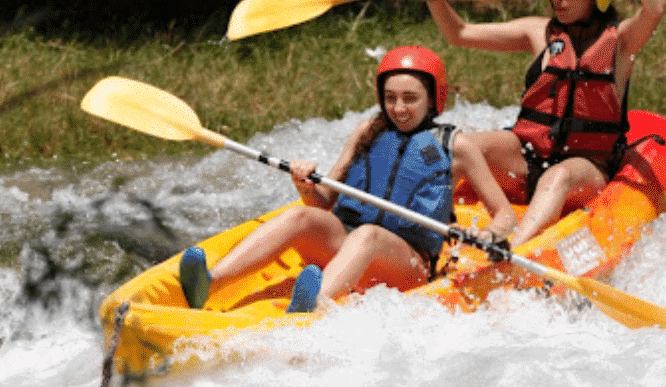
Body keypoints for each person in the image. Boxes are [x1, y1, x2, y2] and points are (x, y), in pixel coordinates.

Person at [179, 45, 518, 313]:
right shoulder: (367, 131)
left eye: (410, 99)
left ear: (433, 98)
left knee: (369, 235)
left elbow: (505, 215)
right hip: (348, 241)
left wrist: (487, 234)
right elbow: (324, 203)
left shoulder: (455, 145)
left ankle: (314, 305)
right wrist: (305, 185)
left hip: (407, 263)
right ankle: (211, 281)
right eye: (390, 98)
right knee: (300, 214)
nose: (398, 108)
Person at [408, 0, 663, 248]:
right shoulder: (538, 32)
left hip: (584, 168)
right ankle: (417, 229)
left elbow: (653, 10)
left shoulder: (621, 43)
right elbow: (460, 33)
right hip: (526, 158)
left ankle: (513, 246)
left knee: (557, 177)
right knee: (461, 145)